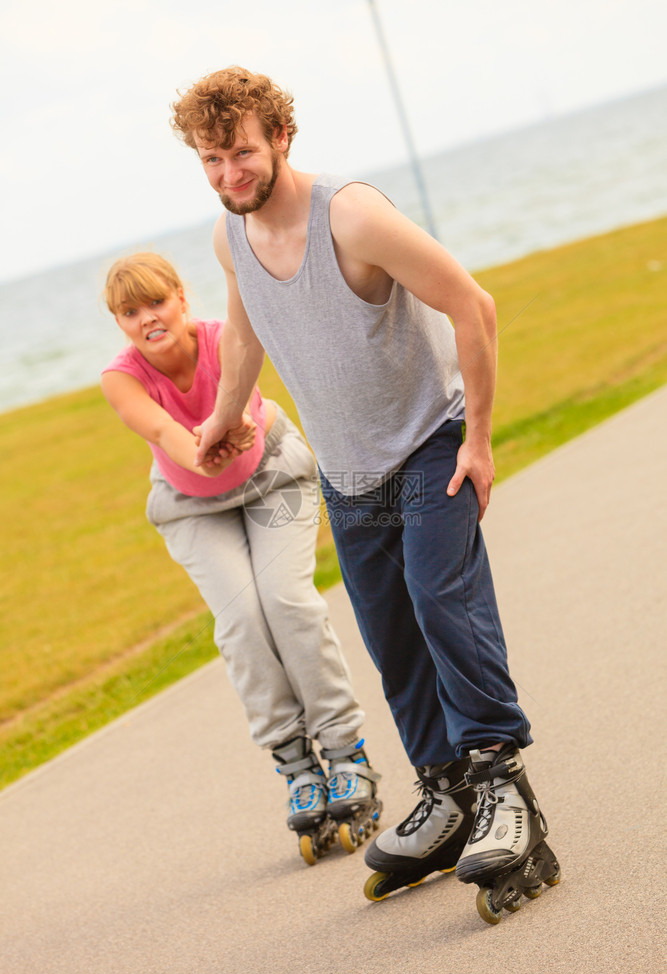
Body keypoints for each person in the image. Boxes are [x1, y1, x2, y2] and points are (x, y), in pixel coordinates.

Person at [168, 68, 559, 917]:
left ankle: (503, 786)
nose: (229, 175)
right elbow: (243, 329)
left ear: (279, 137)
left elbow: (472, 305)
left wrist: (480, 439)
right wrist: (222, 417)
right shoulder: (228, 238)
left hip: (428, 444)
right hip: (346, 470)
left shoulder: (349, 213)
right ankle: (446, 791)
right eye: (210, 160)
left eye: (240, 152)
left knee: (440, 601)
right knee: (389, 635)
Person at [100, 251, 381, 865]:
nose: (147, 318)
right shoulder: (120, 378)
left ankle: (345, 751)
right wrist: (211, 440)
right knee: (240, 621)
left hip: (273, 481)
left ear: (181, 296)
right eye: (129, 312)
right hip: (193, 508)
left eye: (155, 301)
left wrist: (244, 424)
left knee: (287, 601)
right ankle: (296, 764)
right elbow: (170, 438)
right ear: (119, 323)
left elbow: (248, 412)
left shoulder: (224, 338)